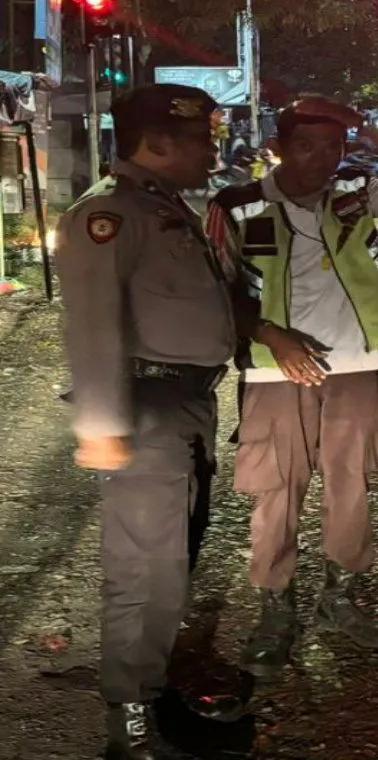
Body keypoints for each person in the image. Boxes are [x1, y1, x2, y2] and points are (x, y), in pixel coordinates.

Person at [204, 96, 378, 682]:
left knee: (352, 480)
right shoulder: (237, 205)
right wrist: (270, 335)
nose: (322, 157)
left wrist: (370, 128)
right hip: (273, 368)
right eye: (306, 145)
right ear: (278, 148)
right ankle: (275, 607)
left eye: (333, 145)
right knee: (277, 486)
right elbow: (214, 289)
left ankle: (340, 595)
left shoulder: (355, 191)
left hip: (356, 361)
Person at [56, 84, 237, 760]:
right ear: (157, 142)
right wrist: (102, 425)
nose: (212, 152)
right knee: (144, 573)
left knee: (172, 562)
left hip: (183, 402)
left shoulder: (160, 204)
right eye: (201, 141)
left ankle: (151, 699)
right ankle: (130, 731)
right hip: (146, 407)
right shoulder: (108, 213)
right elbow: (91, 320)